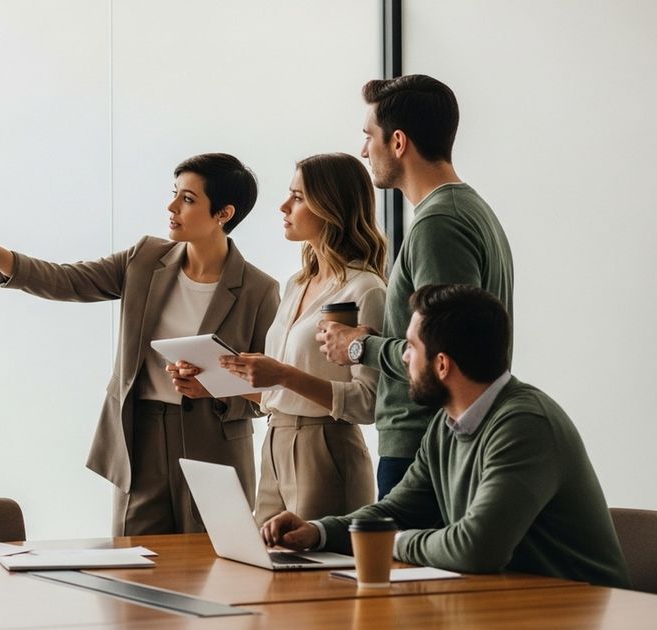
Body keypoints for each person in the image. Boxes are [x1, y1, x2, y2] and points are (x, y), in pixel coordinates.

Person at [0, 153, 280, 535]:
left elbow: (273, 388)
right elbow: (67, 280)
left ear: (223, 213)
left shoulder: (259, 291)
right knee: (134, 566)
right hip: (140, 437)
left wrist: (218, 388)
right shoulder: (145, 259)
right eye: (175, 194)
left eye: (188, 199)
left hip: (215, 447)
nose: (172, 207)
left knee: (216, 567)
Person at [263, 284, 630, 588]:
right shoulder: (446, 421)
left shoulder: (524, 425)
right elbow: (400, 510)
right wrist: (318, 531)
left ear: (442, 364)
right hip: (509, 598)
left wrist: (389, 542)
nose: (404, 358)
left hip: (579, 608)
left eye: (411, 348)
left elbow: (475, 548)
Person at [317, 75, 514, 498]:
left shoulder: (438, 223)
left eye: (369, 136)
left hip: (424, 450)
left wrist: (357, 347)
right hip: (438, 447)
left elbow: (445, 354)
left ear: (399, 142)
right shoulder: (466, 210)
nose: (363, 150)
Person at [213, 153, 386, 524]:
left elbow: (368, 403)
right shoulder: (297, 284)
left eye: (298, 196)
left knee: (318, 574)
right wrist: (213, 379)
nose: (283, 206)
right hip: (275, 440)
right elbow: (279, 389)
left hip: (326, 449)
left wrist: (283, 375)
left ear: (330, 206)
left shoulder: (366, 290)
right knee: (266, 567)